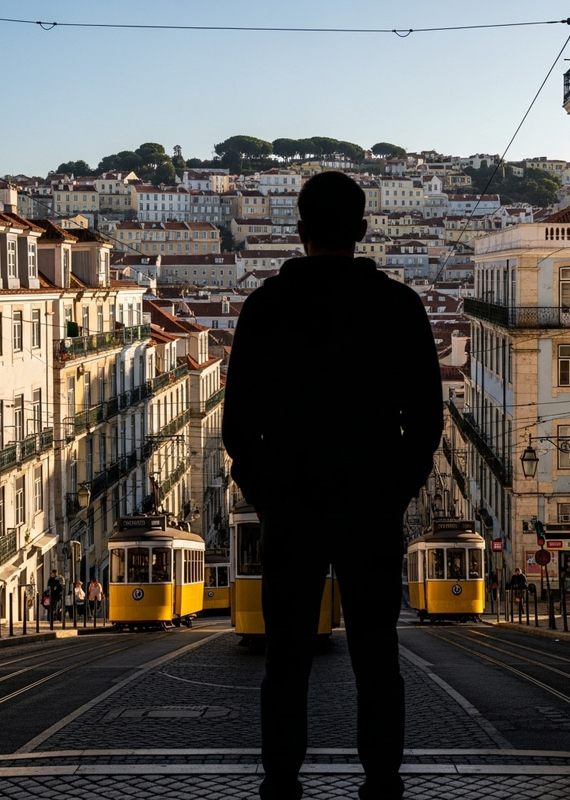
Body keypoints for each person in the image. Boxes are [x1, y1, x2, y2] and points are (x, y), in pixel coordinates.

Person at [222, 170, 444, 800]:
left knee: (284, 660)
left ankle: (281, 779)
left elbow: (239, 427)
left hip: (290, 510)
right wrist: (393, 493)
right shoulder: (398, 307)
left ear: (300, 232)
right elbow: (426, 422)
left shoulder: (265, 307)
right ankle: (381, 780)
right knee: (378, 656)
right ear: (362, 232)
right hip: (369, 508)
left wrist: (271, 499)